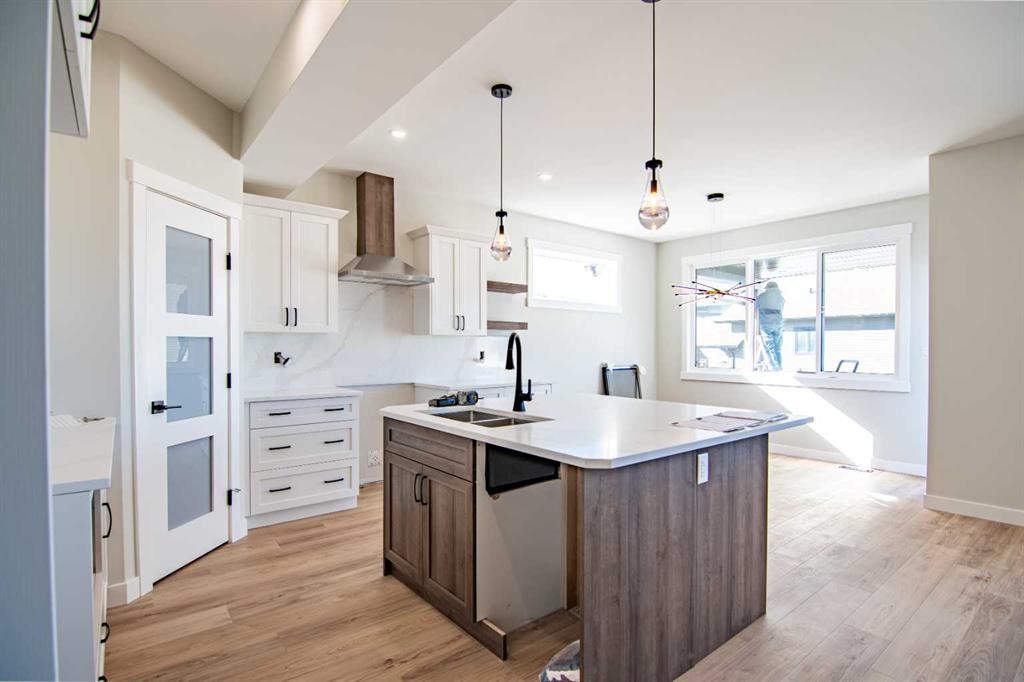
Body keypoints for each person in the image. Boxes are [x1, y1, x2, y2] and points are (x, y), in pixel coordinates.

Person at [756, 281, 785, 370]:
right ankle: (780, 367)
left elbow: (754, 307)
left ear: (767, 288)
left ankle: (774, 369)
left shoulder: (761, 297)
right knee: (778, 347)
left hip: (766, 324)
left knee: (769, 347)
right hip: (778, 324)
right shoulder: (781, 297)